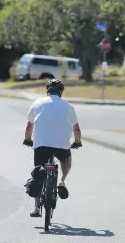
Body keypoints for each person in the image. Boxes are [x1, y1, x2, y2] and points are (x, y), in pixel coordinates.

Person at [24, 78, 82, 217]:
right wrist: (77, 142)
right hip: (62, 145)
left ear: (47, 91)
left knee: (39, 173)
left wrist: (27, 139)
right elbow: (76, 129)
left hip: (41, 146)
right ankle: (61, 181)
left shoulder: (38, 104)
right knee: (66, 159)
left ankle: (36, 208)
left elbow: (29, 126)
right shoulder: (68, 106)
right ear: (61, 92)